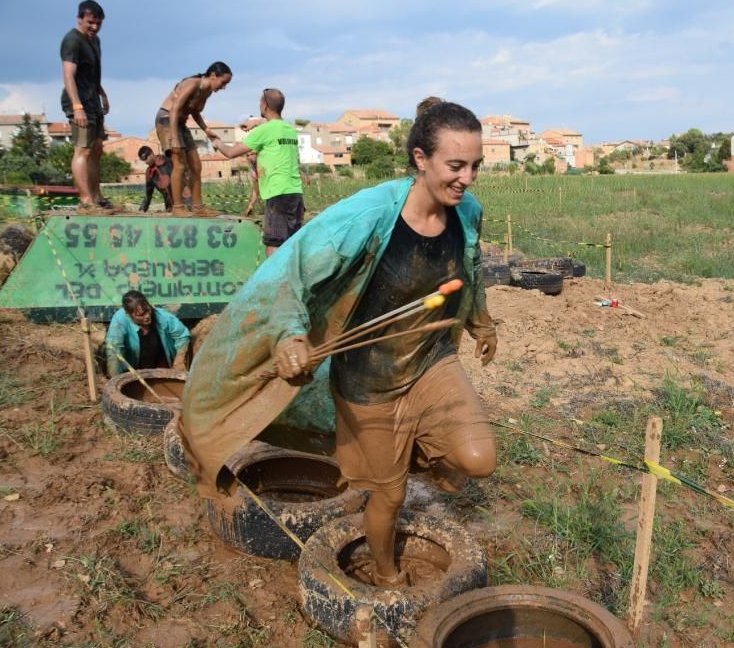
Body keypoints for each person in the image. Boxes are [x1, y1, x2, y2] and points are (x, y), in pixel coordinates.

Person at [179, 98, 497, 587]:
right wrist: (289, 335)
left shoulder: (467, 211)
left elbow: (468, 268)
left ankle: (410, 449)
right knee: (388, 497)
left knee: (479, 459)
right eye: (456, 165)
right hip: (367, 380)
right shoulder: (365, 216)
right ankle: (387, 576)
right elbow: (290, 273)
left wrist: (481, 321)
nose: (467, 178)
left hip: (431, 362)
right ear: (420, 159)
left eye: (475, 166)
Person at [210, 89, 303, 255]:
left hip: (277, 193)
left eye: (260, 101)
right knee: (292, 244)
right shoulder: (289, 129)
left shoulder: (264, 131)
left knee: (274, 245)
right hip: (295, 193)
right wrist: (258, 122)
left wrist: (218, 143)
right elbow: (274, 125)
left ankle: (274, 280)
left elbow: (231, 153)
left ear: (265, 105)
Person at [155, 62, 233, 217]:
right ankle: (177, 207)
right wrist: (174, 138)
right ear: (212, 76)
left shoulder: (207, 91)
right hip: (167, 120)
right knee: (179, 165)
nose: (223, 87)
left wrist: (207, 130)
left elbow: (195, 112)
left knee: (196, 166)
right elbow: (175, 109)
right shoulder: (192, 84)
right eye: (223, 82)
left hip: (181, 123)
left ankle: (198, 208)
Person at [60, 0, 113, 214]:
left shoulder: (95, 40)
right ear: (79, 18)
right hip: (79, 102)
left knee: (97, 149)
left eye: (98, 23)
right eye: (90, 22)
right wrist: (77, 106)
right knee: (82, 149)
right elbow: (69, 76)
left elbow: (91, 72)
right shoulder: (72, 41)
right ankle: (85, 202)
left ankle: (97, 198)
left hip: (93, 100)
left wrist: (103, 94)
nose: (94, 27)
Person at [105, 290, 191, 378]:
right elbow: (114, 350)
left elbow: (182, 335)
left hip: (161, 363)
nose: (147, 316)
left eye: (147, 310)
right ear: (128, 315)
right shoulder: (119, 320)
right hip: (134, 368)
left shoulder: (162, 316)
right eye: (141, 315)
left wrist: (179, 362)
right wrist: (115, 379)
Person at [137, 146, 173, 212]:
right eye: (143, 160)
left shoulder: (168, 160)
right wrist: (142, 209)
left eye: (146, 158)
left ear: (151, 153)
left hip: (184, 201)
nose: (145, 162)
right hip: (170, 206)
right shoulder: (149, 173)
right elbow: (148, 194)